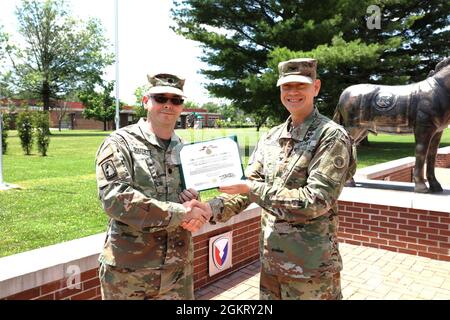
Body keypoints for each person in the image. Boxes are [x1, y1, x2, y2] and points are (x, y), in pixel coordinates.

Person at [203, 58, 357, 299]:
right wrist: (208, 209)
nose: (293, 92)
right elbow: (247, 187)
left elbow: (315, 200)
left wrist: (251, 188)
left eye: (301, 86)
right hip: (271, 264)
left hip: (311, 270)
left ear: (315, 87)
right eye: (286, 86)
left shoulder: (331, 137)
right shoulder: (271, 137)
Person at [95, 72, 210, 300]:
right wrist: (181, 212)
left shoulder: (184, 150)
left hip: (178, 272)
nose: (168, 105)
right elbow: (115, 199)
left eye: (176, 100)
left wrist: (194, 203)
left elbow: (190, 201)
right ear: (146, 101)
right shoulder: (120, 143)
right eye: (161, 98)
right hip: (130, 274)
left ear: (181, 107)